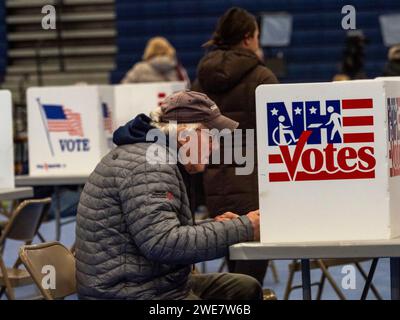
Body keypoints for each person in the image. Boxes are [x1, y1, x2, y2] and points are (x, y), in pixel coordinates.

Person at [75, 91, 262, 300]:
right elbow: (164, 243)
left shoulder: (154, 155)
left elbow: (158, 233)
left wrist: (222, 226)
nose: (216, 146)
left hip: (147, 282)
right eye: (211, 136)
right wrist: (243, 228)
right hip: (129, 292)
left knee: (244, 287)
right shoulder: (150, 166)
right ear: (185, 136)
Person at [191, 7, 278, 283]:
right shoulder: (262, 78)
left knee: (237, 276)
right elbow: (278, 139)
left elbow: (191, 138)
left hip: (215, 186)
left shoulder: (200, 80)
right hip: (255, 187)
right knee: (250, 280)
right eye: (257, 37)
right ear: (247, 39)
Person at [121, 36, 190, 86]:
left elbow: (124, 86)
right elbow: (187, 87)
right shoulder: (177, 69)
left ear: (148, 50)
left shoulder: (139, 69)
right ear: (169, 49)